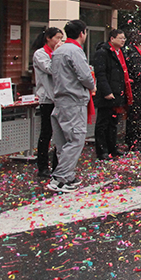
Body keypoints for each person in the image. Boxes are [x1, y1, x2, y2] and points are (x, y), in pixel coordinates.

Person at [49, 20, 95, 193]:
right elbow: (85, 76)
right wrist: (92, 86)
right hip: (74, 100)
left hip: (60, 99)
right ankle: (60, 177)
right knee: (76, 139)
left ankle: (67, 176)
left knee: (63, 142)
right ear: (82, 33)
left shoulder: (58, 51)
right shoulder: (75, 51)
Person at [31, 27, 64, 179]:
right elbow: (51, 69)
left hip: (59, 96)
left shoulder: (58, 53)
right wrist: (57, 54)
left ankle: (58, 165)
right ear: (48, 38)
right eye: (57, 38)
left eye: (61, 38)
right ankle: (43, 166)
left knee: (60, 133)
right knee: (46, 132)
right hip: (47, 98)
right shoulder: (40, 54)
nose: (59, 41)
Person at [91, 29, 127, 160]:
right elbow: (101, 74)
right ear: (112, 38)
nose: (123, 41)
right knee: (103, 123)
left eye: (124, 38)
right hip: (107, 93)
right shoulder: (103, 53)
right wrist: (107, 91)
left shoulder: (120, 53)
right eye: (120, 38)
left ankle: (113, 148)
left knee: (113, 122)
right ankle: (102, 151)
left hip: (117, 92)